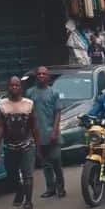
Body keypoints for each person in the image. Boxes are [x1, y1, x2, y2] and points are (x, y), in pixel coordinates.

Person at [0, 76, 39, 209]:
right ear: (8, 87)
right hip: (10, 146)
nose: (14, 88)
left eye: (17, 85)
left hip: (27, 144)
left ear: (21, 87)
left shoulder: (29, 104)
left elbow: (34, 126)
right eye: (11, 85)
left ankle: (28, 202)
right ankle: (19, 189)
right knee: (11, 175)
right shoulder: (3, 105)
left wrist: (38, 146)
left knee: (28, 174)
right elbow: (0, 127)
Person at [26, 66, 65, 200]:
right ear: (36, 76)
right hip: (38, 135)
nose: (41, 76)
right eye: (39, 74)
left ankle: (61, 187)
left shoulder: (54, 93)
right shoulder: (30, 93)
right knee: (45, 163)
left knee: (56, 161)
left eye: (44, 74)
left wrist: (54, 131)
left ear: (48, 77)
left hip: (52, 133)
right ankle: (50, 188)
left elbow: (58, 113)